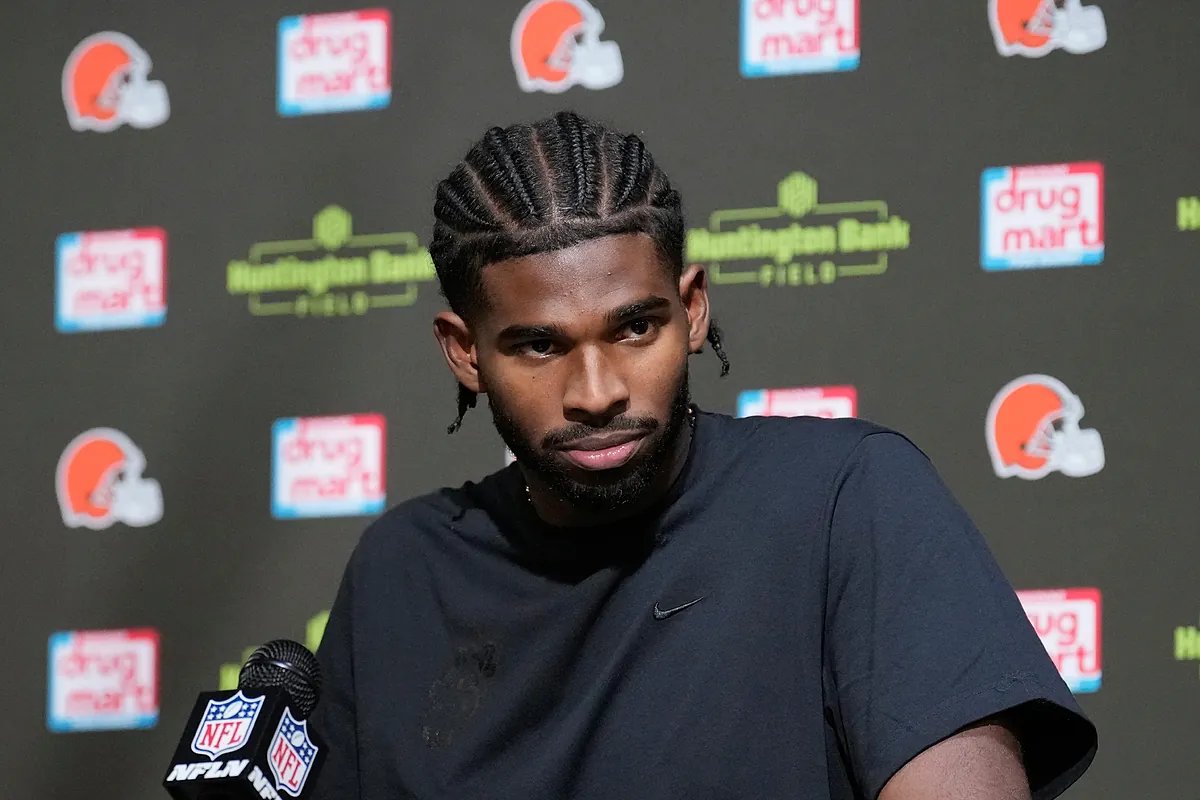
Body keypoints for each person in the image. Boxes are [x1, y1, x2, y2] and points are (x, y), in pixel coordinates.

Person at [310, 111, 1097, 799]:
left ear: (691, 310)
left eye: (633, 329)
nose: (596, 392)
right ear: (465, 353)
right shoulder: (399, 572)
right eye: (540, 345)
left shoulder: (844, 500)